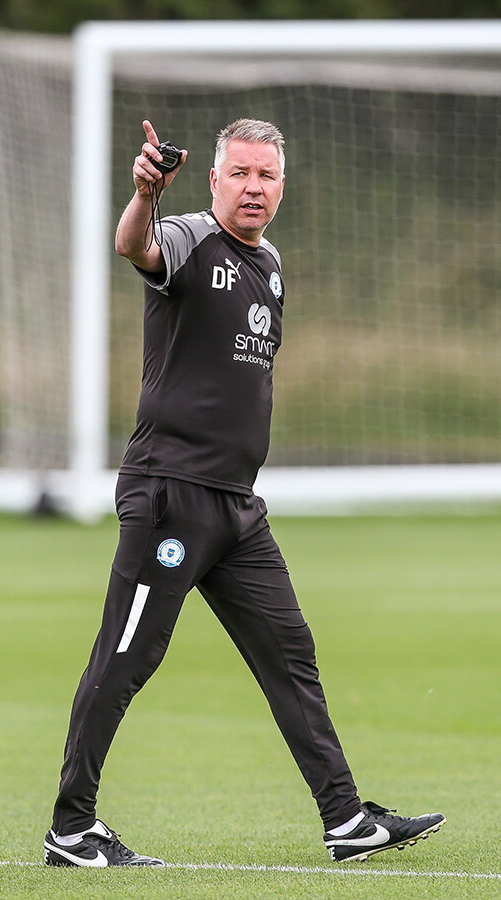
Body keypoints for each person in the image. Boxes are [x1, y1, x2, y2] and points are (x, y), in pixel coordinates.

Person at [44, 118, 445, 868]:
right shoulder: (190, 237)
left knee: (290, 653)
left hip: (235, 508)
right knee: (125, 656)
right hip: (171, 493)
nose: (254, 187)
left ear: (281, 185)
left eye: (267, 176)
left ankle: (346, 819)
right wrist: (142, 196)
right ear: (215, 179)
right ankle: (71, 829)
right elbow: (136, 244)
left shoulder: (273, 264)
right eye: (241, 174)